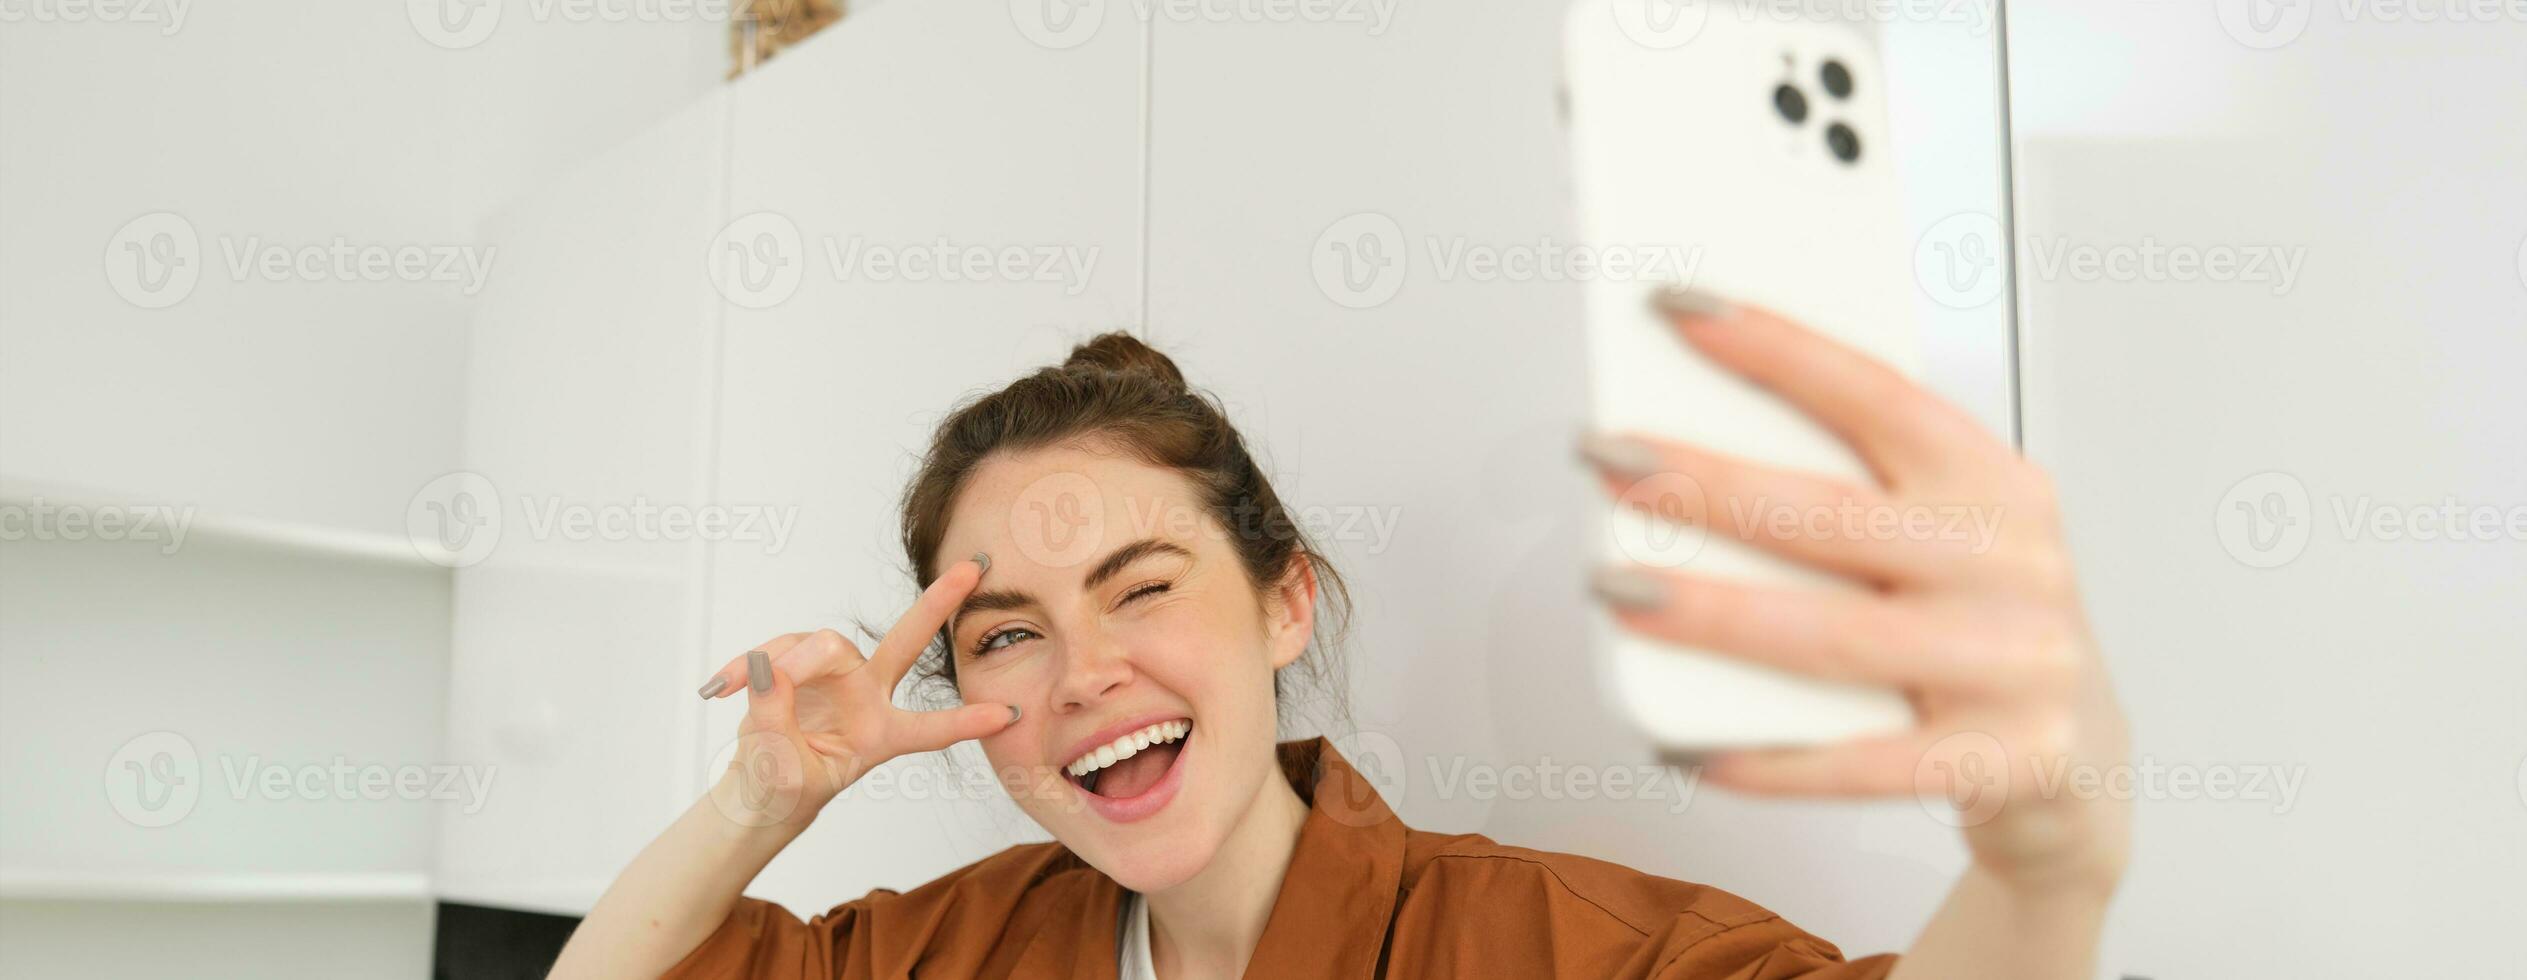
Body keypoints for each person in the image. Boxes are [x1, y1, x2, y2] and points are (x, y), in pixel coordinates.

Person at [549, 288, 2130, 979]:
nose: (1084, 671)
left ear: (1284, 598)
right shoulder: (953, 950)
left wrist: (2047, 867)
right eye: (1007, 634)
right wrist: (762, 800)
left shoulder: (1544, 948)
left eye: (1143, 586)